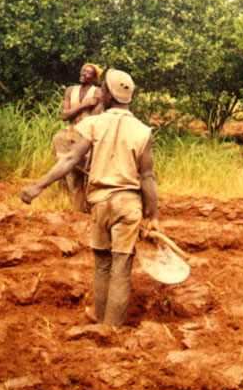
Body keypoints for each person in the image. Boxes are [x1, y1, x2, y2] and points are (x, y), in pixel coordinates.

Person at [21, 69, 160, 328]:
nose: (100, 94)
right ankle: (113, 326)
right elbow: (147, 177)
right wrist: (154, 217)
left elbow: (72, 158)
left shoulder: (95, 123)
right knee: (121, 265)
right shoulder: (142, 131)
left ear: (108, 94)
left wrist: (39, 186)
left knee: (102, 263)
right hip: (128, 205)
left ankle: (101, 319)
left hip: (100, 203)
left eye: (103, 91)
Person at [51, 63, 104, 213]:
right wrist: (84, 105)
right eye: (82, 71)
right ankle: (69, 205)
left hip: (86, 136)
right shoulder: (70, 91)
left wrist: (75, 113)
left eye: (88, 73)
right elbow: (64, 115)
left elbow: (93, 118)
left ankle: (88, 206)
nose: (83, 74)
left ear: (94, 78)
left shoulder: (98, 92)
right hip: (70, 132)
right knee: (65, 167)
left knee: (86, 172)